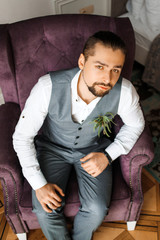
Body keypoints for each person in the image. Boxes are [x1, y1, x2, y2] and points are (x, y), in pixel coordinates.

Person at [13, 31, 145, 240]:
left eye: (115, 70)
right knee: (43, 209)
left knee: (97, 209)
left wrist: (108, 155)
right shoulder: (47, 87)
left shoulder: (125, 92)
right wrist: (39, 185)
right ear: (82, 61)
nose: (107, 79)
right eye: (100, 67)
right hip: (51, 148)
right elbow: (22, 137)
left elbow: (136, 124)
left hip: (94, 148)